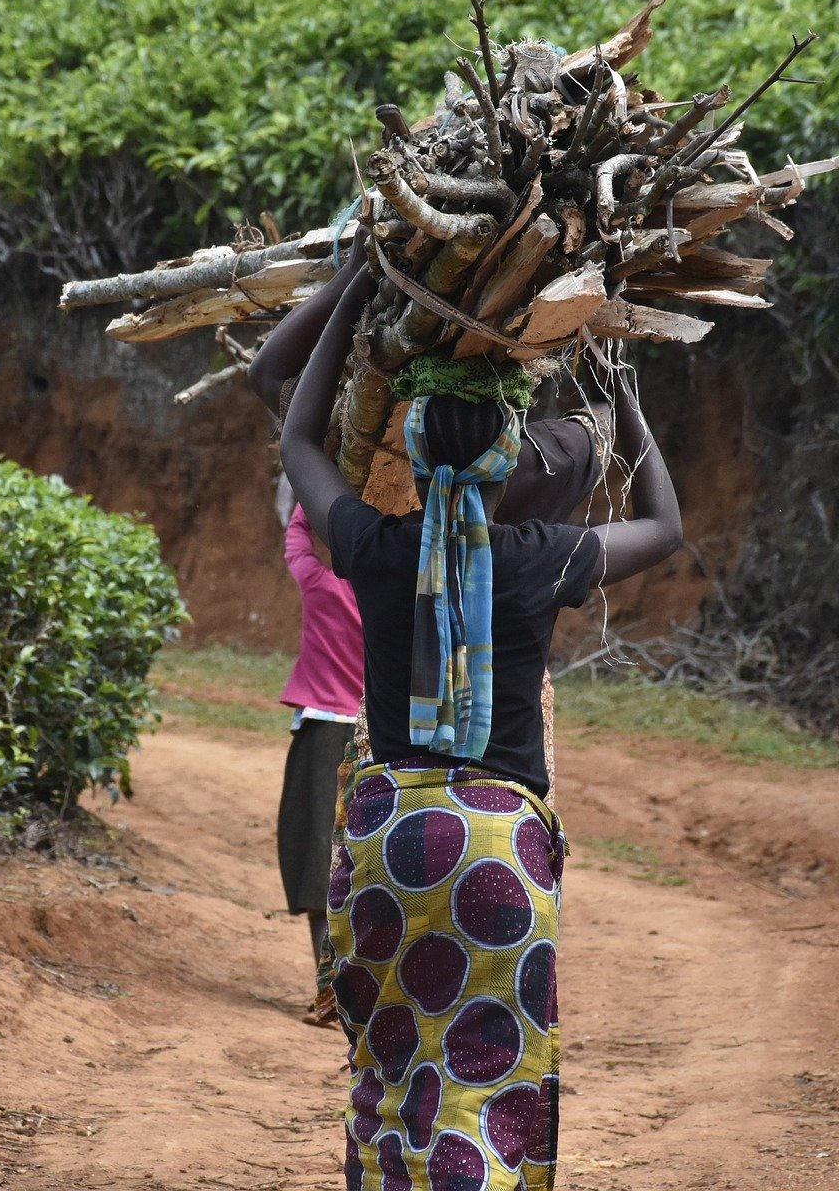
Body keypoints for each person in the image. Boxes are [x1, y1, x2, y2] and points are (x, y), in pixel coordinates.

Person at [280, 282, 681, 1191]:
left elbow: (300, 439)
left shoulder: (372, 548)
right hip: (499, 837)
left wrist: (355, 293)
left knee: (386, 1072)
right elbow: (665, 525)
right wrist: (621, 383)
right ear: (510, 461)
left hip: (386, 835)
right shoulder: (541, 554)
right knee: (488, 1072)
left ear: (409, 455)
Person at [274, 483, 365, 1003]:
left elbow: (295, 540)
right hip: (377, 736)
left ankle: (328, 986)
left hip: (323, 735)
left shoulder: (318, 583)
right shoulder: (390, 596)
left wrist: (314, 490)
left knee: (316, 857)